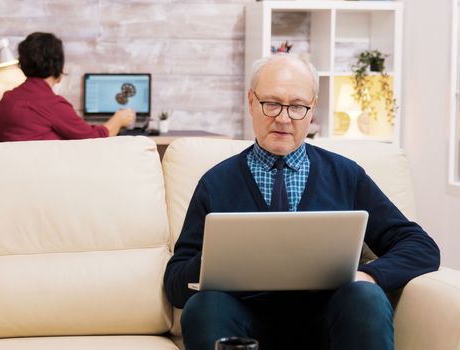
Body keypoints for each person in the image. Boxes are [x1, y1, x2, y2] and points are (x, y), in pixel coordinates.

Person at [163, 54, 440, 350]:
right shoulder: (215, 182)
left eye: (297, 106)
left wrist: (369, 275)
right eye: (271, 103)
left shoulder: (346, 175)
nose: (283, 118)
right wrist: (213, 263)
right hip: (243, 320)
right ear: (251, 102)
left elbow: (420, 246)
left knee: (366, 296)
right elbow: (175, 282)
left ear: (312, 110)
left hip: (328, 319)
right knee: (204, 307)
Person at [0, 32, 135, 141]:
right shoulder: (52, 105)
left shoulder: (6, 100)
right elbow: (94, 139)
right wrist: (119, 120)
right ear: (57, 65)